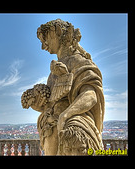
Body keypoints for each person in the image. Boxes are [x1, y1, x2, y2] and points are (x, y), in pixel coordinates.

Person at [22, 19, 105, 155]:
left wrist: (65, 115)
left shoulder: (79, 62)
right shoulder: (54, 71)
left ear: (58, 32)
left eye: (45, 39)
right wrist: (38, 105)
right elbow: (52, 103)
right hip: (53, 130)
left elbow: (91, 96)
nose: (43, 46)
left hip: (71, 131)